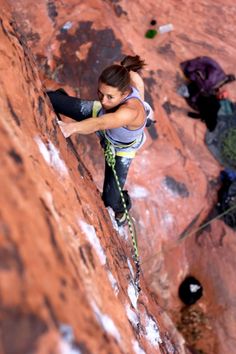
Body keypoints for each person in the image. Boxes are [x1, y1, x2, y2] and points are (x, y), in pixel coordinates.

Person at [47, 55, 153, 226]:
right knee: (52, 99)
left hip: (120, 148)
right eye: (100, 93)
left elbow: (100, 123)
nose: (103, 100)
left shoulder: (129, 111)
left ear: (125, 93)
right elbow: (133, 79)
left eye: (110, 97)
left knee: (110, 203)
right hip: (103, 117)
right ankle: (64, 99)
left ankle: (122, 205)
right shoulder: (127, 76)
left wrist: (71, 128)